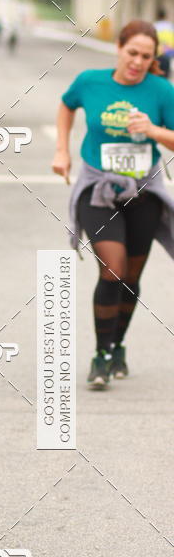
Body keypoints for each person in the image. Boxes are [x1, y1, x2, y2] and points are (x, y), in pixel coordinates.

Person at [52, 20, 174, 389]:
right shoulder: (91, 81)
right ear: (119, 49)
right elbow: (66, 105)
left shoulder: (161, 91)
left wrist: (152, 130)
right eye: (132, 52)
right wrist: (62, 149)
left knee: (132, 277)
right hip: (98, 188)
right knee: (114, 268)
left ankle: (118, 344)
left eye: (146, 56)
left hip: (144, 191)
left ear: (153, 60)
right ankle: (101, 354)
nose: (137, 61)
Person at [154, 8, 174, 79]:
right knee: (166, 72)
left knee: (157, 71)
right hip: (168, 52)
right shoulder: (170, 26)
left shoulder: (155, 25)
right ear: (165, 16)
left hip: (158, 52)